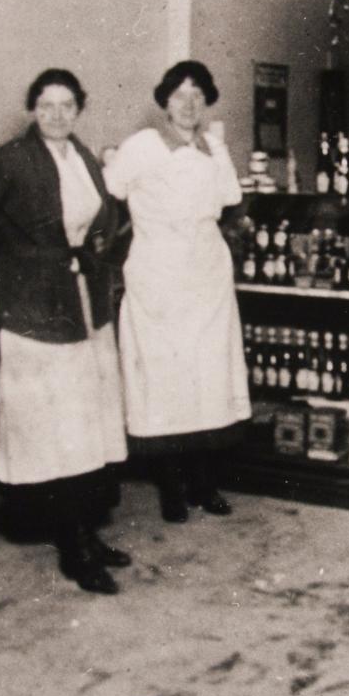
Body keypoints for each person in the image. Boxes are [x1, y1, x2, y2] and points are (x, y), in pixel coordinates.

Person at [0, 68, 130, 594]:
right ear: (32, 110)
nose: (57, 115)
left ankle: (87, 530)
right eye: (46, 105)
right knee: (59, 433)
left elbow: (104, 224)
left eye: (67, 105)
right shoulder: (11, 160)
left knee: (89, 425)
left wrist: (102, 263)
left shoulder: (84, 157)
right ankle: (74, 547)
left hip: (83, 308)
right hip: (36, 316)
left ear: (79, 109)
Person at [106, 60, 250, 523]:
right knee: (165, 381)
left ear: (206, 102)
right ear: (164, 101)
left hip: (206, 274)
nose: (188, 105)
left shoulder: (215, 149)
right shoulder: (142, 146)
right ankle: (170, 487)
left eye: (197, 96)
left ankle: (203, 484)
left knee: (207, 377)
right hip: (158, 275)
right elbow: (109, 196)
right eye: (179, 95)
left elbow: (230, 204)